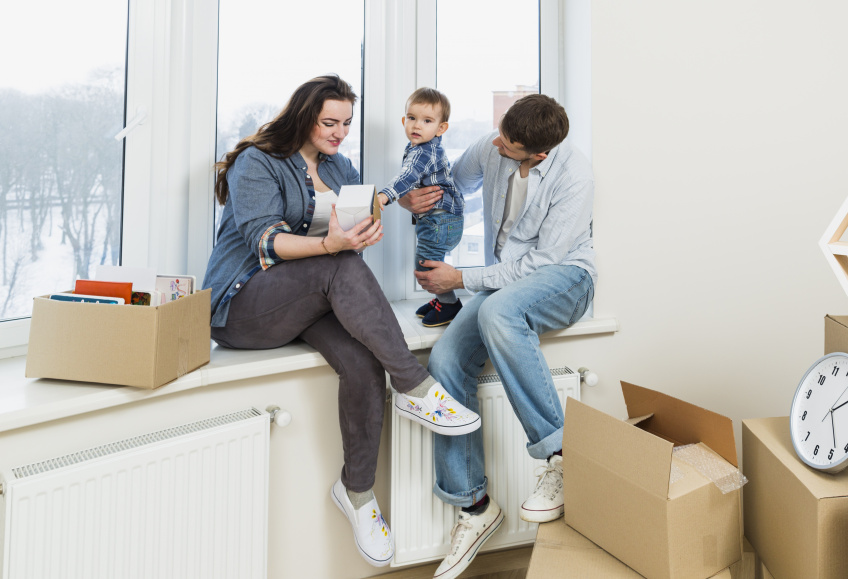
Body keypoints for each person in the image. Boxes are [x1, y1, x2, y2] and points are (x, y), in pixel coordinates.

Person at [202, 75, 481, 569]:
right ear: (302, 116)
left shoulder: (338, 165)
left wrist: (392, 210)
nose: (339, 132)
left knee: (362, 361)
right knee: (340, 264)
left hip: (305, 300)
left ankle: (357, 493)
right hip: (244, 305)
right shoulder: (258, 162)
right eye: (330, 122)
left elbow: (355, 218)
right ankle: (417, 388)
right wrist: (334, 248)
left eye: (346, 123)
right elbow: (266, 243)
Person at [397, 94, 596, 579]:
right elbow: (452, 184)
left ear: (538, 153)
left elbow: (542, 263)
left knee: (500, 312)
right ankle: (475, 504)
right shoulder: (494, 146)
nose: (497, 147)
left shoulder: (575, 176)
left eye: (509, 146)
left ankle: (562, 455)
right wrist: (413, 198)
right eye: (500, 135)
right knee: (444, 361)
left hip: (566, 276)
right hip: (506, 282)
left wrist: (461, 279)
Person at [376, 87, 465, 327]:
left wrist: (385, 195)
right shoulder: (424, 146)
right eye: (412, 119)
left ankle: (449, 304)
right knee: (428, 260)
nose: (417, 126)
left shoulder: (423, 151)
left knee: (426, 265)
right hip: (441, 219)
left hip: (440, 221)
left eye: (427, 121)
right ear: (404, 120)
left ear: (441, 128)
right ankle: (441, 300)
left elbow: (407, 176)